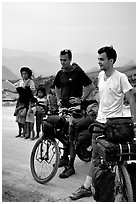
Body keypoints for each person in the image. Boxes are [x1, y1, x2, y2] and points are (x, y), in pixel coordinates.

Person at [69, 45, 136, 200]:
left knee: (120, 156)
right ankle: (86, 187)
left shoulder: (121, 77)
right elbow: (102, 98)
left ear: (111, 60)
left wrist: (135, 122)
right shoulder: (100, 76)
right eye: (98, 59)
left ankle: (125, 186)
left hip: (116, 124)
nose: (99, 61)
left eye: (102, 59)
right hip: (100, 123)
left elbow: (131, 100)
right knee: (95, 157)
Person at [53, 49, 95, 178]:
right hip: (64, 107)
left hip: (75, 109)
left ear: (70, 59)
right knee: (63, 132)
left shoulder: (77, 72)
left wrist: (81, 100)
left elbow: (91, 86)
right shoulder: (60, 73)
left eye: (64, 60)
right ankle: (65, 157)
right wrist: (58, 99)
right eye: (60, 60)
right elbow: (56, 86)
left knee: (71, 136)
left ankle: (70, 166)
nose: (62, 62)